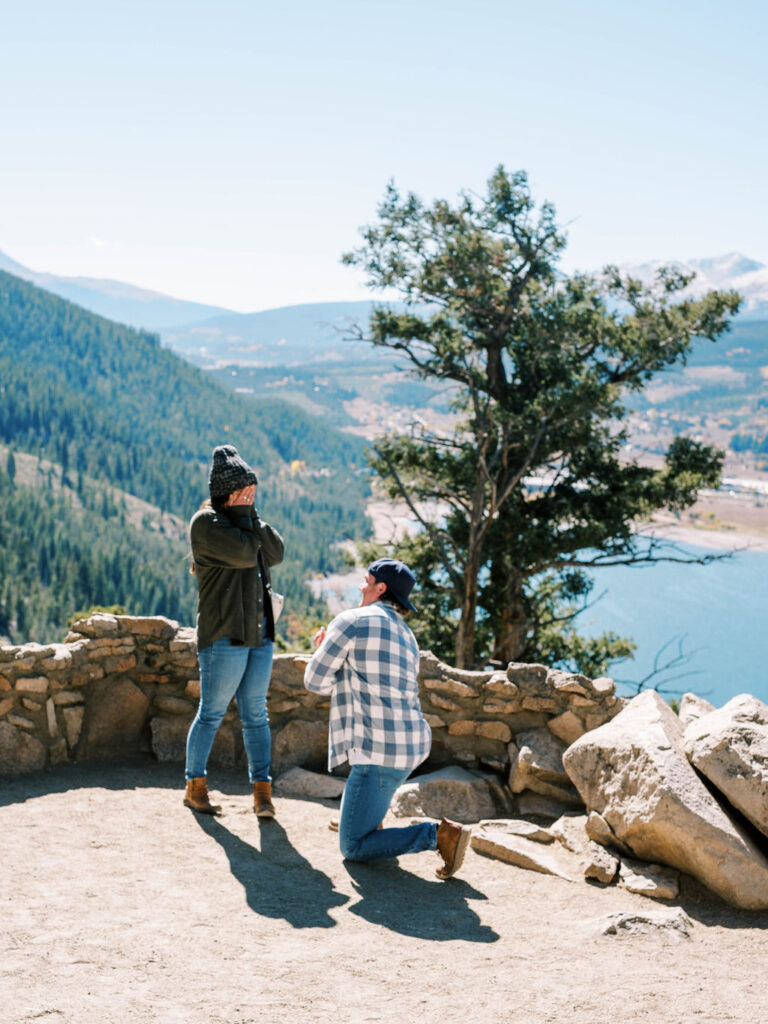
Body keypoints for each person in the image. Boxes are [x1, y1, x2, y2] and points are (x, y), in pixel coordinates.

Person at [304, 557, 471, 878]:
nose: (360, 586)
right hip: (411, 744)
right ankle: (370, 817)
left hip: (380, 752)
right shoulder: (408, 636)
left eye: (366, 581)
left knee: (353, 846)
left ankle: (437, 836)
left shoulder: (351, 621)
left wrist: (323, 651)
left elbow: (316, 682)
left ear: (381, 588)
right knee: (364, 809)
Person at [184, 444, 284, 818]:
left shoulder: (247, 521)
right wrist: (246, 516)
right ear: (225, 494)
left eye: (253, 491)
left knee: (256, 713)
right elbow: (246, 554)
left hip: (259, 632)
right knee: (211, 712)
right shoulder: (205, 524)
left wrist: (250, 513)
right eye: (244, 491)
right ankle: (195, 785)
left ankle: (262, 793)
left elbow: (275, 552)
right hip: (224, 633)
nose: (251, 496)